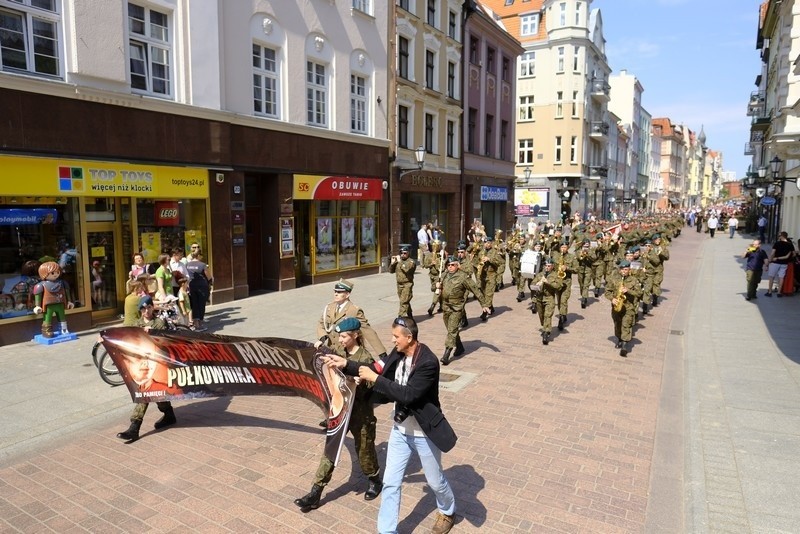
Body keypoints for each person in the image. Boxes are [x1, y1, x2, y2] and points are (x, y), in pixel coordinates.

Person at [324, 316, 457, 534]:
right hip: (400, 431)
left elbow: (409, 394)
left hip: (424, 432)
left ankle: (447, 510)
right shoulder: (398, 352)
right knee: (391, 483)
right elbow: (376, 367)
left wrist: (375, 379)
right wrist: (347, 364)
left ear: (409, 337)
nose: (392, 340)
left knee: (435, 481)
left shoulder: (428, 362)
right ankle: (387, 531)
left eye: (396, 336)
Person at [294, 318, 382, 511]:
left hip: (361, 415)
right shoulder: (340, 352)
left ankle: (374, 479)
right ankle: (315, 493)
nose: (340, 340)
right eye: (339, 336)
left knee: (364, 451)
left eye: (343, 336)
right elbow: (330, 359)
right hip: (341, 412)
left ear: (355, 335)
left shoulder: (365, 357)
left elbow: (373, 386)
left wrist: (363, 382)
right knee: (330, 450)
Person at [116, 295, 176, 442]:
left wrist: (153, 334)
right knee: (154, 392)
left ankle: (134, 427)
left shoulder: (159, 323)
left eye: (148, 307)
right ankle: (168, 415)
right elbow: (125, 338)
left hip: (158, 364)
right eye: (143, 309)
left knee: (146, 392)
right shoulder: (137, 324)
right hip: (143, 365)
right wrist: (104, 338)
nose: (146, 311)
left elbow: (166, 342)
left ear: (152, 307)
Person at [315, 278, 387, 358]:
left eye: (339, 292)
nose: (336, 294)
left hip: (348, 352)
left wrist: (381, 353)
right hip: (332, 350)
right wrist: (322, 337)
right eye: (335, 291)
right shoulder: (329, 307)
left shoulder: (354, 310)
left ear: (347, 294)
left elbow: (367, 331)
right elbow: (321, 324)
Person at [438, 255, 490, 365]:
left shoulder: (463, 277)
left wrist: (484, 304)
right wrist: (436, 286)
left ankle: (446, 354)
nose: (450, 267)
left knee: (452, 330)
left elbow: (475, 289)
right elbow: (435, 287)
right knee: (450, 330)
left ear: (457, 265)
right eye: (449, 265)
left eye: (453, 265)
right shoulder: (444, 275)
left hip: (456, 308)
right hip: (446, 307)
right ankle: (460, 347)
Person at [605, 260, 643, 357]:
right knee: (617, 324)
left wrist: (628, 290)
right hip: (617, 306)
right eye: (622, 269)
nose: (624, 271)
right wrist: (612, 299)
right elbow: (607, 292)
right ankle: (620, 339)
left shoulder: (633, 280)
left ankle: (624, 347)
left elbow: (639, 293)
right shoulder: (613, 279)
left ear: (629, 270)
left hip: (629, 307)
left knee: (626, 325)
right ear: (619, 270)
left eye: (626, 269)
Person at [32, 261, 74, 338]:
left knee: (62, 317)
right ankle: (46, 331)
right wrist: (37, 306)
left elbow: (67, 292)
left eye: (57, 272)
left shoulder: (62, 283)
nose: (55, 274)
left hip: (60, 304)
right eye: (52, 273)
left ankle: (64, 329)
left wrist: (69, 301)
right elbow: (38, 295)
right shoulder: (41, 285)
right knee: (47, 318)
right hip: (48, 306)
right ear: (44, 274)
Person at [531, 257, 564, 345]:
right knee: (542, 316)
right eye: (546, 266)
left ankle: (546, 333)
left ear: (552, 267)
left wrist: (548, 282)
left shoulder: (556, 275)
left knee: (547, 316)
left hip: (549, 298)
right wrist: (536, 284)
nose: (547, 267)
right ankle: (545, 327)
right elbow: (532, 285)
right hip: (539, 298)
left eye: (549, 266)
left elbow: (559, 286)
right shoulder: (540, 274)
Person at [185, 252, 212, 330]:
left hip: (192, 286)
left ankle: (195, 322)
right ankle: (200, 323)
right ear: (199, 256)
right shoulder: (202, 265)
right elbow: (208, 276)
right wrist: (211, 283)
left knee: (194, 304)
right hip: (201, 287)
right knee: (201, 304)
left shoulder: (187, 264)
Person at [766, 231, 795, 297]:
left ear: (782, 236)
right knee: (781, 277)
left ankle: (769, 292)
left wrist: (770, 260)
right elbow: (794, 254)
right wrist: (788, 257)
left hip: (775, 262)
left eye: (779, 236)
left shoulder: (777, 243)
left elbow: (773, 253)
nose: (778, 237)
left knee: (771, 277)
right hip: (784, 263)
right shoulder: (790, 244)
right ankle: (779, 292)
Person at [390, 244, 416, 317]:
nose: (403, 255)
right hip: (399, 284)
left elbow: (406, 269)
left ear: (408, 253)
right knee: (404, 300)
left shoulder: (411, 262)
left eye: (405, 253)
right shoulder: (399, 261)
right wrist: (392, 263)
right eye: (401, 253)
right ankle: (410, 315)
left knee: (403, 301)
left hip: (407, 284)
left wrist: (399, 262)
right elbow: (391, 271)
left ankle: (400, 317)